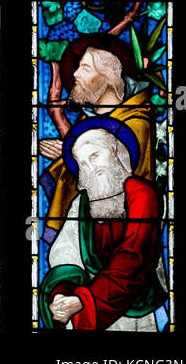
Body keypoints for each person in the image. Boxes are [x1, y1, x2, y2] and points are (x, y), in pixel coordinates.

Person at [40, 126, 167, 330]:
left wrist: (84, 299)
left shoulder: (142, 193)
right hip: (83, 303)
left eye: (95, 155)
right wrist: (62, 295)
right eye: (83, 163)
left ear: (114, 150)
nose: (91, 167)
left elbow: (134, 255)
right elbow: (65, 253)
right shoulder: (81, 204)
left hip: (135, 309)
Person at [39, 36, 155, 235]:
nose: (75, 74)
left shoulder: (137, 122)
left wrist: (67, 156)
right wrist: (69, 153)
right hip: (84, 230)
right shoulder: (87, 119)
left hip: (123, 232)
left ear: (108, 76)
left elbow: (115, 179)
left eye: (84, 68)